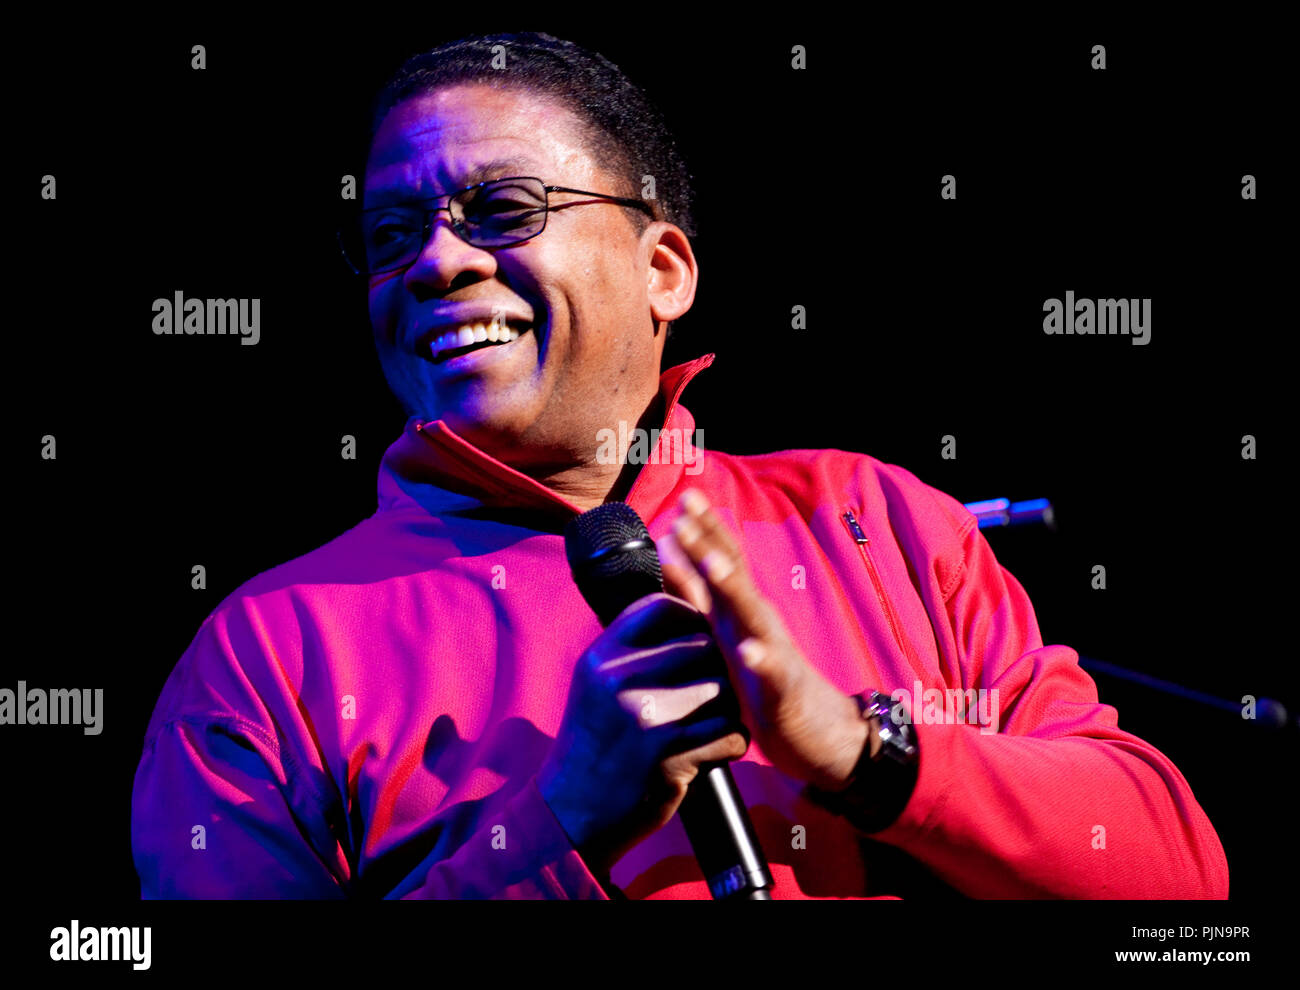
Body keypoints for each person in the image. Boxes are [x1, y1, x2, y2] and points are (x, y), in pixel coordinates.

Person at [130, 32, 1229, 899]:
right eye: (388, 236)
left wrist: (863, 754)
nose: (437, 262)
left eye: (501, 210)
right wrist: (561, 828)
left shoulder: (874, 516)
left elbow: (1175, 876)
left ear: (662, 269)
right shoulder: (266, 652)